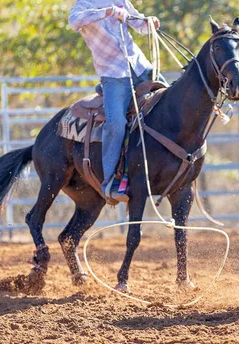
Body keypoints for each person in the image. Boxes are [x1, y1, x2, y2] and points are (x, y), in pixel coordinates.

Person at [68, 1, 162, 203]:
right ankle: (109, 183)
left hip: (139, 66)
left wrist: (149, 23)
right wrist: (108, 12)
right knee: (116, 124)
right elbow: (74, 21)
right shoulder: (83, 5)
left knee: (169, 100)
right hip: (113, 74)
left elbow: (138, 23)